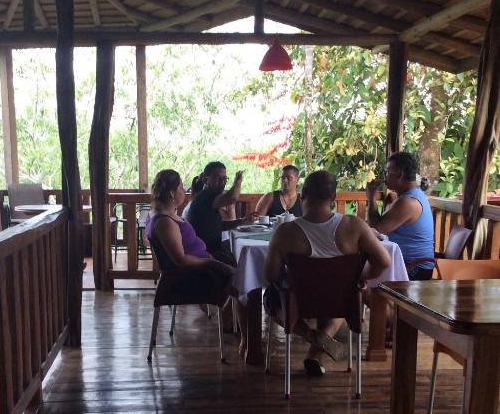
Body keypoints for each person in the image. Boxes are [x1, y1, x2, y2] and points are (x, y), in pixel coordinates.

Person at [265, 170, 391, 375]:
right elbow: (384, 261)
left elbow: (270, 276)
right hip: (341, 301)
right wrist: (360, 276)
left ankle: (310, 335)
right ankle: (318, 345)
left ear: (303, 193)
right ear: (333, 198)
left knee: (271, 298)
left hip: (300, 302)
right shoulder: (354, 225)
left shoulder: (285, 232)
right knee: (345, 291)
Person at [146, 169, 249, 350]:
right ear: (171, 193)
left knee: (242, 276)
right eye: (180, 187)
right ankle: (249, 342)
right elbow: (180, 260)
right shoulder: (164, 222)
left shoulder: (166, 215)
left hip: (198, 269)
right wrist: (212, 262)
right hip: (190, 277)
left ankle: (240, 330)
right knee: (245, 281)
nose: (183, 191)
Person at [366, 151, 435, 280]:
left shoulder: (408, 202)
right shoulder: (411, 195)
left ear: (400, 175)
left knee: (363, 273)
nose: (385, 176)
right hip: (408, 263)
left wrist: (371, 197)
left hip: (415, 268)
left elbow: (375, 228)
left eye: (387, 171)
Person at [186, 161, 257, 258]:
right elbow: (232, 197)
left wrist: (242, 221)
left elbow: (218, 225)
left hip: (211, 251)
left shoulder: (206, 197)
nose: (222, 182)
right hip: (205, 255)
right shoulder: (206, 197)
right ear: (206, 180)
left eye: (224, 179)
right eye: (218, 178)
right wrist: (238, 181)